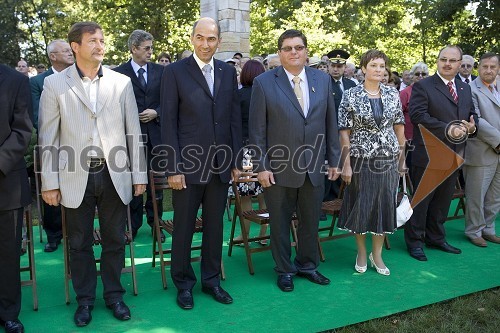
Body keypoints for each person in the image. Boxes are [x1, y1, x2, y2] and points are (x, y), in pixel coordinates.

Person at [38, 21, 147, 327]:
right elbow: (49, 138)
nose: (101, 45)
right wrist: (50, 182)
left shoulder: (121, 82)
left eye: (102, 39)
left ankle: (114, 295)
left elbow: (132, 131)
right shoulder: (54, 85)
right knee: (79, 242)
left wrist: (139, 174)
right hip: (74, 174)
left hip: (115, 174)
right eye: (93, 41)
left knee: (115, 239)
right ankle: (84, 300)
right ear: (75, 47)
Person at [249, 29, 341, 292]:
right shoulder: (264, 83)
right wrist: (261, 166)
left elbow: (330, 123)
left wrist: (334, 159)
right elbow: (256, 131)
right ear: (280, 53)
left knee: (311, 220)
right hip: (278, 169)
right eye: (287, 48)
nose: (293, 52)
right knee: (279, 222)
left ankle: (308, 265)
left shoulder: (322, 80)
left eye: (298, 47)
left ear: (306, 51)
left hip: (314, 166)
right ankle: (284, 270)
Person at [160, 17, 242, 310]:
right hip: (187, 166)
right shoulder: (174, 72)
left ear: (218, 41)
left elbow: (233, 118)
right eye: (200, 37)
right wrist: (173, 167)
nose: (205, 44)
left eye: (211, 39)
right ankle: (183, 283)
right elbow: (168, 122)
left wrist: (234, 160)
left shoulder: (226, 71)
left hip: (221, 165)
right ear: (192, 38)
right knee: (183, 227)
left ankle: (212, 281)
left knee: (214, 226)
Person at [337, 49, 406, 276]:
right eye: (374, 65)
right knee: (362, 205)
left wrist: (402, 158)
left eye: (382, 66)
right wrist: (346, 163)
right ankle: (360, 251)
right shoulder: (351, 95)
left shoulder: (392, 94)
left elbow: (399, 127)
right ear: (363, 68)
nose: (379, 70)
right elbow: (344, 132)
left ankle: (377, 254)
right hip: (361, 159)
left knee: (384, 206)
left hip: (388, 159)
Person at [405, 45, 477, 261]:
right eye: (443, 59)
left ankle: (436, 237)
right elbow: (417, 115)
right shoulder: (424, 86)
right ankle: (415, 242)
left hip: (454, 153)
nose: (447, 63)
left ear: (459, 63)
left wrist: (473, 127)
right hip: (428, 153)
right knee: (422, 201)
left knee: (443, 201)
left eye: (452, 60)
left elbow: (471, 114)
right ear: (438, 61)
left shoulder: (464, 88)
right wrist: (448, 128)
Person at [114, 30, 165, 241]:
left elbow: (170, 100)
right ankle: (132, 226)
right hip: (131, 139)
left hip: (157, 137)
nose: (151, 52)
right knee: (134, 182)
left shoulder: (162, 72)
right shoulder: (117, 74)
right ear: (134, 49)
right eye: (146, 48)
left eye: (151, 47)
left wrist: (157, 112)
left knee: (157, 185)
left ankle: (156, 224)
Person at [30, 39, 75, 252]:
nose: (70, 52)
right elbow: (37, 116)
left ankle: (76, 232)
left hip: (78, 146)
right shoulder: (38, 82)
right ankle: (54, 235)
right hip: (52, 146)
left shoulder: (80, 77)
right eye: (65, 50)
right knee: (52, 189)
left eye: (70, 49)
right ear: (53, 56)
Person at [0, 64, 33, 333]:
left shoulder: (16, 80)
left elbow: (22, 130)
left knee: (7, 253)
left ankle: (8, 313)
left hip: (5, 182)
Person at [463, 52, 500, 247]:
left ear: (498, 68)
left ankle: (489, 229)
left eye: (492, 67)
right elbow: (477, 120)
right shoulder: (470, 89)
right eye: (485, 66)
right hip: (481, 151)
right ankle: (473, 230)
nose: (488, 70)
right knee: (476, 195)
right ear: (479, 68)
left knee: (495, 195)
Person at [231, 59, 267, 245]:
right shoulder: (267, 94)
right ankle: (263, 232)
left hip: (244, 151)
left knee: (245, 195)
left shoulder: (238, 96)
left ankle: (243, 235)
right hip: (264, 150)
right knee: (264, 193)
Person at [399, 62, 429, 173]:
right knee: (412, 171)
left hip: (427, 138)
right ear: (412, 76)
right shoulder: (404, 93)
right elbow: (398, 117)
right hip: (409, 139)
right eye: (417, 74)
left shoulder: (431, 92)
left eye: (424, 74)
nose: (420, 76)